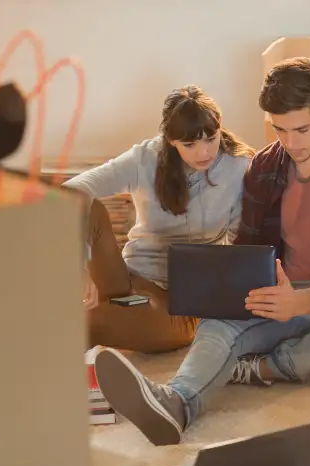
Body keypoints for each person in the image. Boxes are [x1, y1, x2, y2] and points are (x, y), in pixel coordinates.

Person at [93, 58, 310, 445]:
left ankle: (267, 367)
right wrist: (236, 296)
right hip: (283, 296)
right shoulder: (266, 167)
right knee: (219, 322)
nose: (291, 143)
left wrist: (300, 303)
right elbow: (250, 253)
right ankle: (177, 402)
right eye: (279, 129)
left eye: (301, 129)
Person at [65, 85, 255, 354]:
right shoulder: (145, 158)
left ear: (219, 128)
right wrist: (79, 264)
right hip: (129, 278)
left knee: (89, 321)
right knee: (88, 206)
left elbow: (241, 244)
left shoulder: (239, 166)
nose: (203, 152)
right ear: (171, 140)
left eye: (211, 138)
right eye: (189, 144)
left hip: (181, 302)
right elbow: (72, 191)